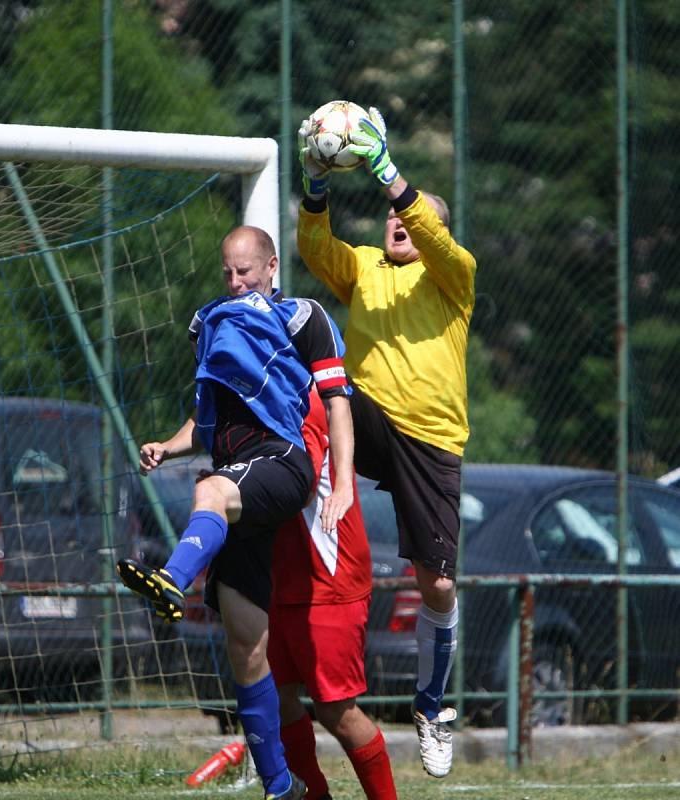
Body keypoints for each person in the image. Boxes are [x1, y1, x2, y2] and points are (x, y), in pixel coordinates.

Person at [117, 225, 354, 800]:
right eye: (227, 271)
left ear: (272, 267)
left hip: (282, 463)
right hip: (239, 472)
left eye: (245, 271)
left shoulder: (302, 317)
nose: (235, 280)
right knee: (245, 644)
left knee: (210, 493)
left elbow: (337, 401)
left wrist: (342, 482)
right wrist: (168, 446)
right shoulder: (212, 324)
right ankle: (280, 784)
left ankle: (172, 579)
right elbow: (209, 421)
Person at [296, 106, 477, 779]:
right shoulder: (367, 267)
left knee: (437, 584)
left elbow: (427, 225)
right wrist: (317, 185)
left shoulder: (453, 274)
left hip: (431, 439)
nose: (399, 221)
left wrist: (389, 173)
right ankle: (278, 486)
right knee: (316, 391)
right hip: (368, 418)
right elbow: (317, 250)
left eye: (414, 218)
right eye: (393, 217)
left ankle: (431, 705)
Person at [269, 387, 397, 800]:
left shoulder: (297, 397)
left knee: (335, 709)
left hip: (328, 576)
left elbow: (300, 487)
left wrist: (228, 492)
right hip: (280, 576)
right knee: (274, 696)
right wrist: (168, 447)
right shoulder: (244, 385)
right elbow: (205, 421)